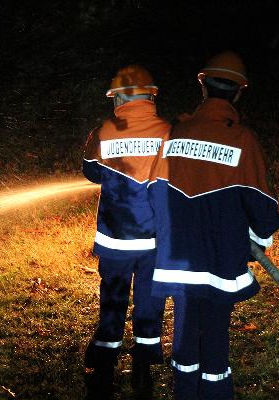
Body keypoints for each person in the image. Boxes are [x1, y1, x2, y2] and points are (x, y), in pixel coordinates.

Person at [148, 51, 279, 399]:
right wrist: (259, 237)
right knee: (215, 332)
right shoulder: (242, 140)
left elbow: (154, 192)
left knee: (185, 328)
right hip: (219, 260)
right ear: (238, 93)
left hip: (179, 258)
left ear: (203, 86)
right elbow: (262, 206)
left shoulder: (175, 134)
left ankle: (184, 391)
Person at [82, 64, 171, 399]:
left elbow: (91, 172)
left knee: (113, 298)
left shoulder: (104, 131)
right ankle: (144, 367)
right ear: (151, 96)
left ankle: (104, 364)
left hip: (115, 240)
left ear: (118, 98)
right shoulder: (167, 131)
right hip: (154, 241)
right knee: (150, 300)